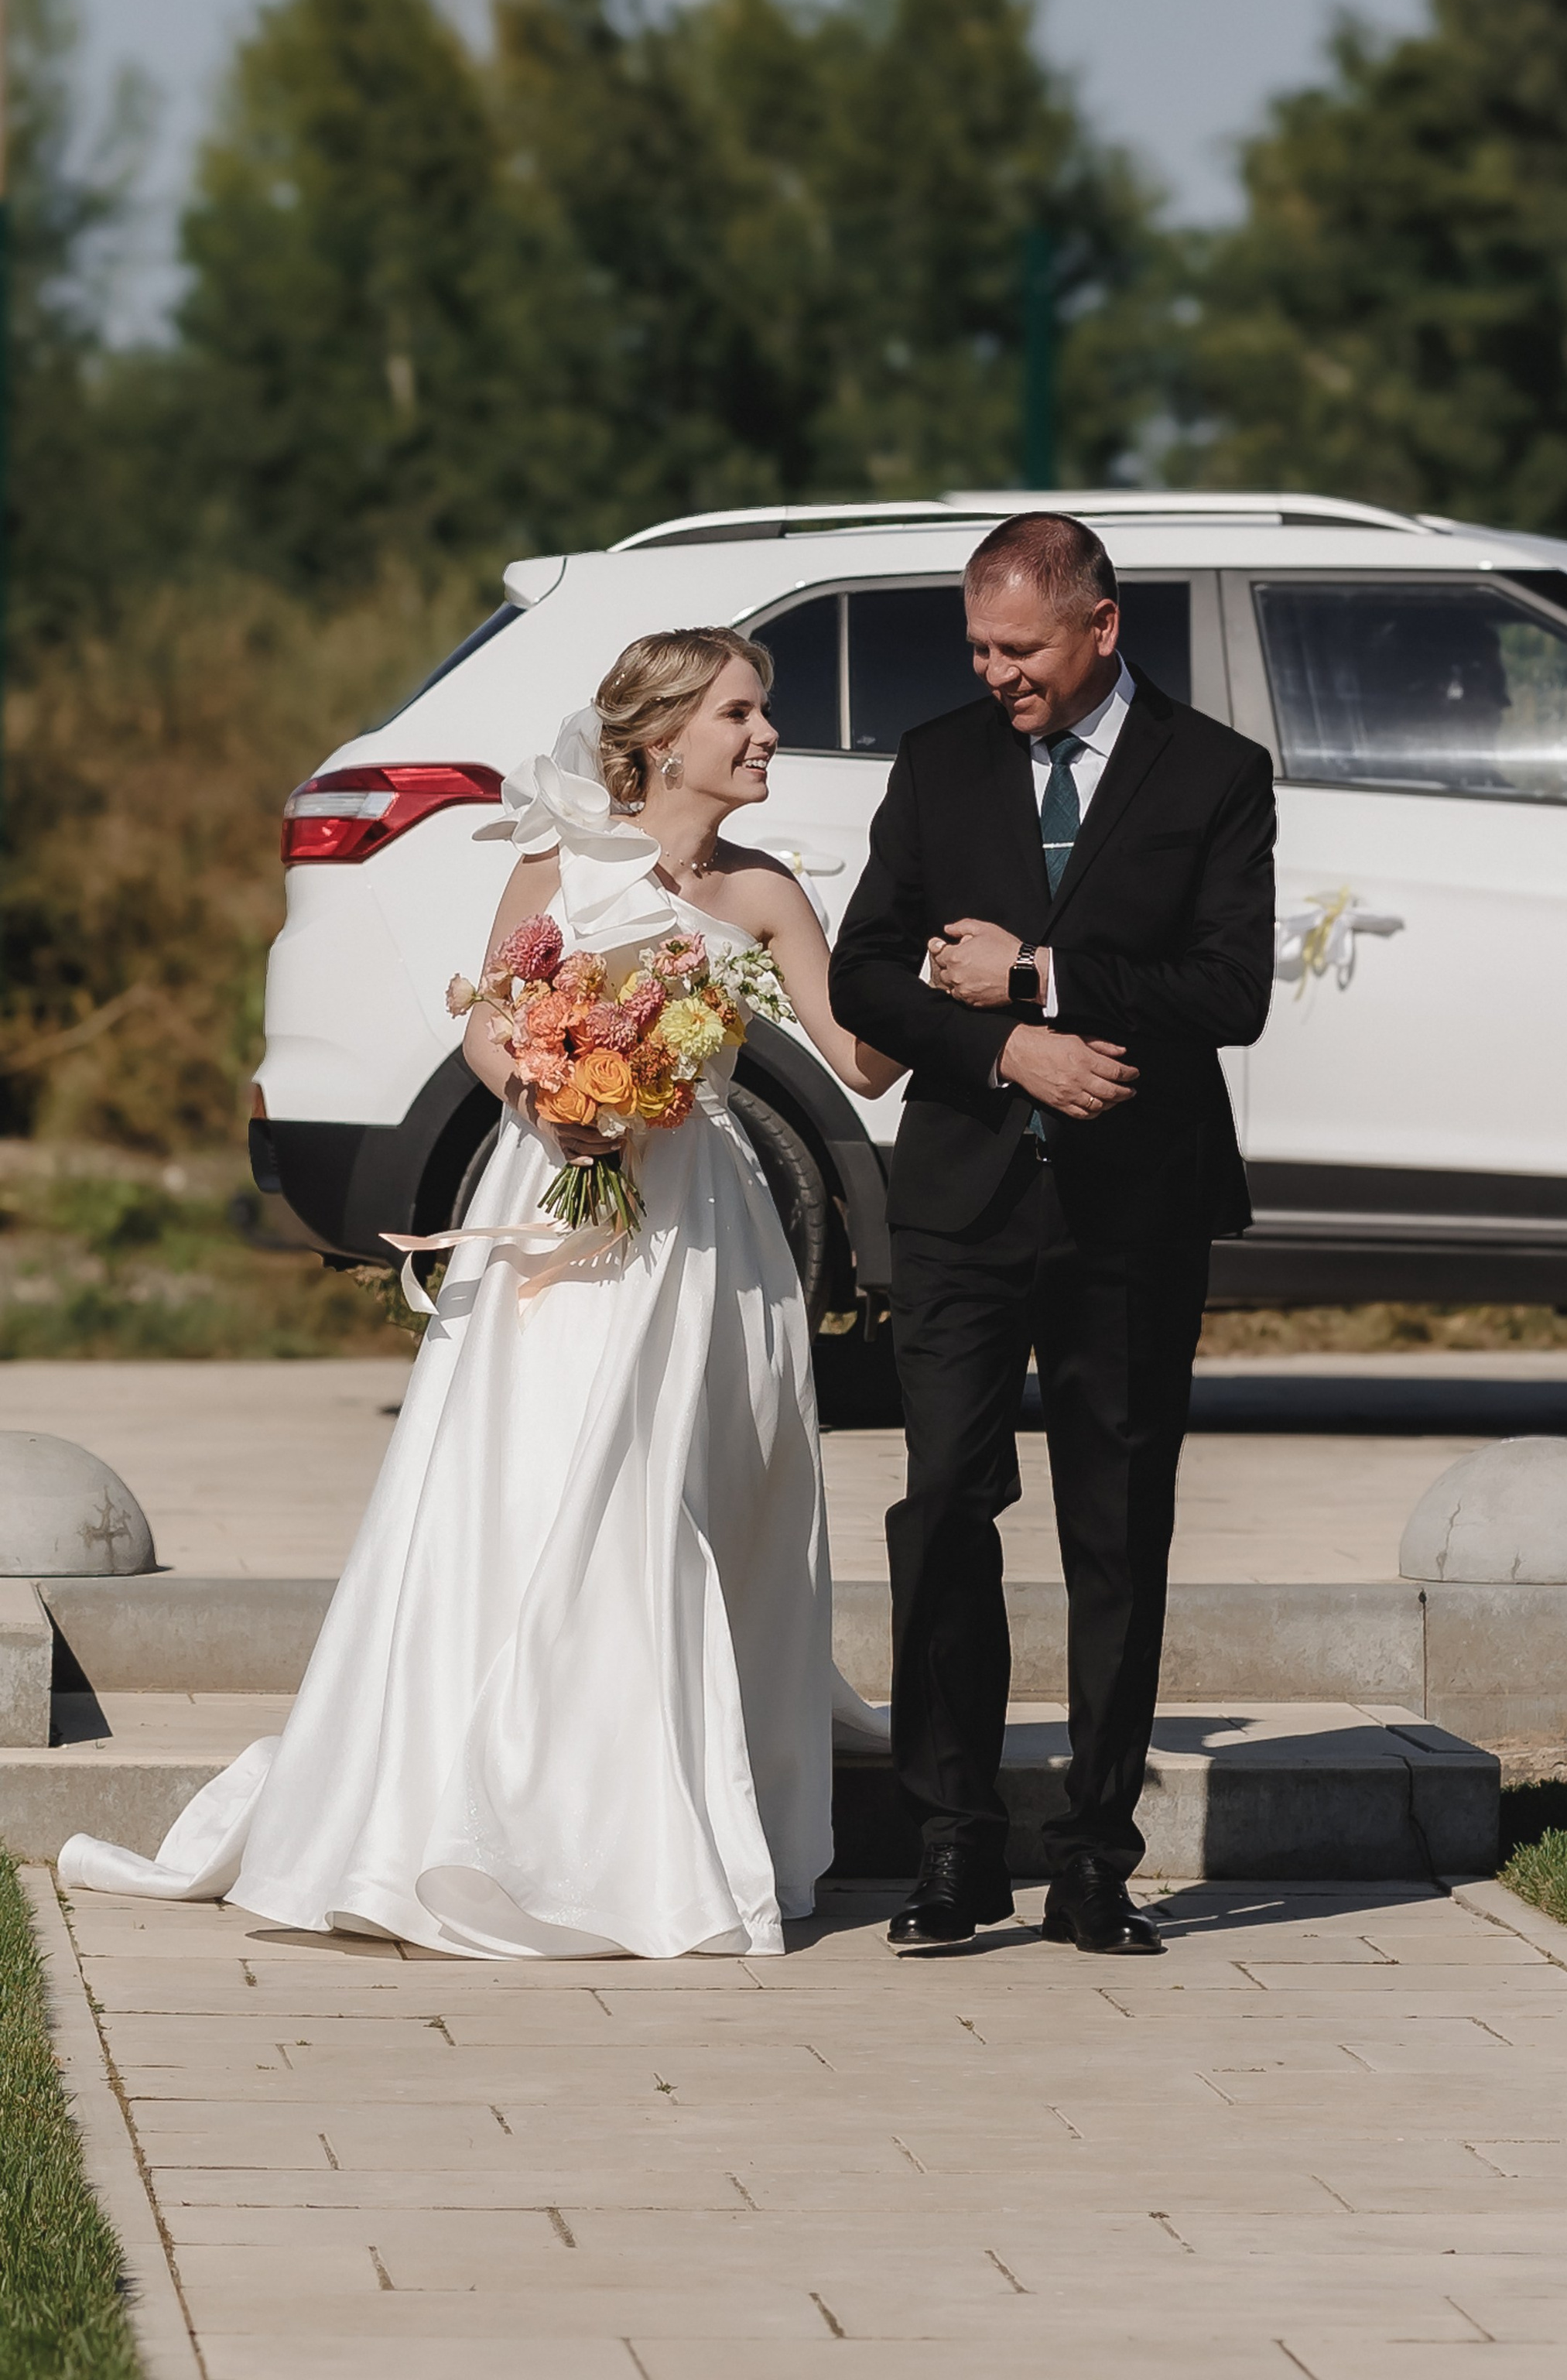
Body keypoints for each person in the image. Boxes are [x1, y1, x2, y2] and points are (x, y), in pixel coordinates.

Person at [59, 629, 901, 1959]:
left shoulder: (766, 894)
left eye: (764, 715)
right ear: (663, 734)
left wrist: (945, 977)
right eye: (742, 714)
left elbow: (860, 1061)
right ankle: (502, 1800)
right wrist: (547, 1095)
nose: (765, 738)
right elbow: (488, 1021)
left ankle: (657, 1807)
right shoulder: (556, 863)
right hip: (553, 1217)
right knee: (536, 1480)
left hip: (706, 1239)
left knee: (679, 1491)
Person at [830, 514, 1276, 1957]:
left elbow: (1228, 990)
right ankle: (955, 1846)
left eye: (1019, 648)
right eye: (978, 646)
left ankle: (1095, 1859)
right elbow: (865, 975)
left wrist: (1037, 976)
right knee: (945, 1505)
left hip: (1134, 1216)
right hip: (963, 1200)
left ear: (1101, 628)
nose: (995, 672)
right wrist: (1009, 1053)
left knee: (1116, 1531)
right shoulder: (940, 759)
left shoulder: (1215, 773)